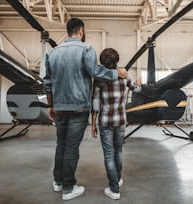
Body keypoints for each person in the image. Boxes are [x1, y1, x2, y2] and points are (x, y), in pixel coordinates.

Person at [43, 18, 128, 201]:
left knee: (61, 144)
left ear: (68, 31)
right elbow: (95, 71)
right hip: (78, 107)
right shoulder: (86, 49)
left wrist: (50, 105)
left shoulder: (52, 53)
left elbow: (47, 83)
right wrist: (117, 73)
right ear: (81, 31)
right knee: (72, 147)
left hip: (58, 106)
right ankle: (68, 188)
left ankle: (58, 181)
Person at [91, 48, 141, 200]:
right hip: (121, 120)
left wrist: (93, 124)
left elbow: (95, 104)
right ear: (116, 60)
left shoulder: (99, 80)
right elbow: (137, 89)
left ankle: (114, 189)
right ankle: (117, 180)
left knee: (109, 154)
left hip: (105, 121)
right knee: (118, 151)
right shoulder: (125, 77)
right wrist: (139, 83)